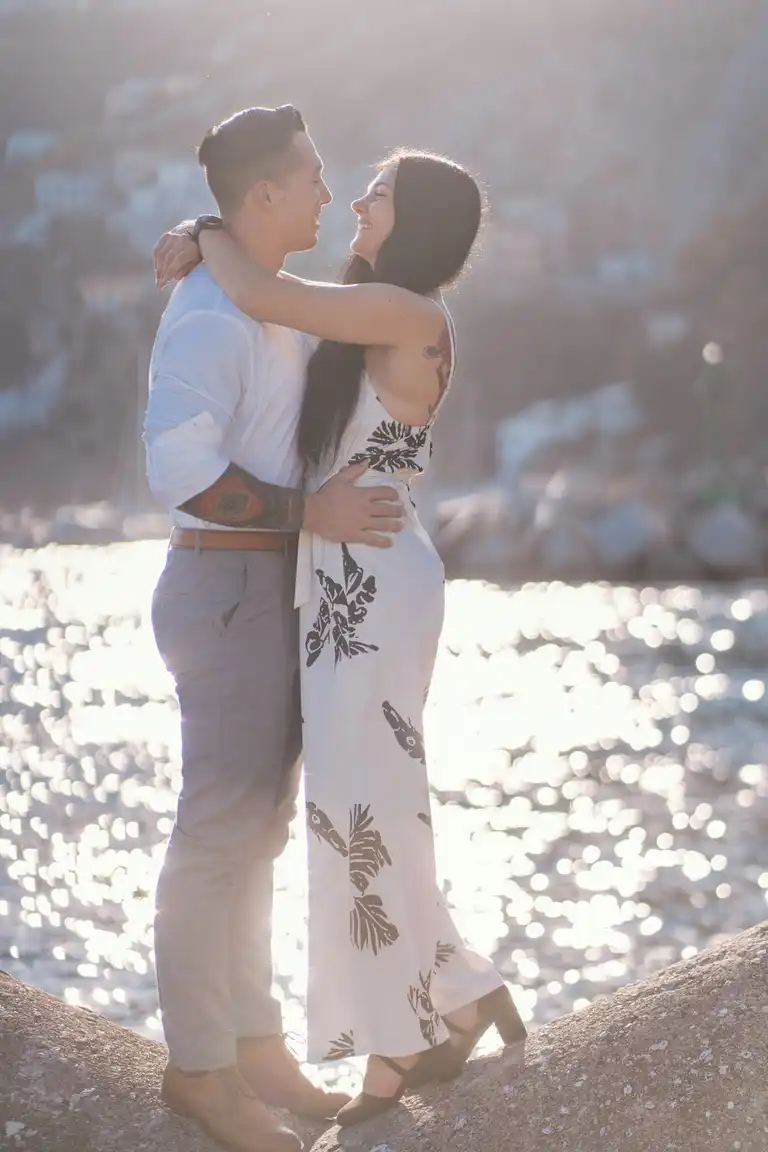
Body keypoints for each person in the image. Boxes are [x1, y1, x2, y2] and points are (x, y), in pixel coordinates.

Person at [155, 136, 528, 1130]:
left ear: (420, 224)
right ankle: (455, 989)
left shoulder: (406, 312)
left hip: (373, 584)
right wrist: (212, 234)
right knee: (365, 803)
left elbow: (265, 293)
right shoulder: (377, 307)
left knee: (362, 811)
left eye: (380, 194)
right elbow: (275, 303)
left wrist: (205, 227)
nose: (359, 203)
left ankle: (398, 1043)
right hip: (345, 582)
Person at [145, 105, 410, 1152]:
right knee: (216, 833)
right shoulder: (214, 316)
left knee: (256, 828)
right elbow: (181, 473)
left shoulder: (267, 296)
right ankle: (199, 1071)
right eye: (311, 177)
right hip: (226, 586)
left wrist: (200, 228)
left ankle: (254, 1047)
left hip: (269, 585)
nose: (325, 193)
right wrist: (314, 514)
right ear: (264, 194)